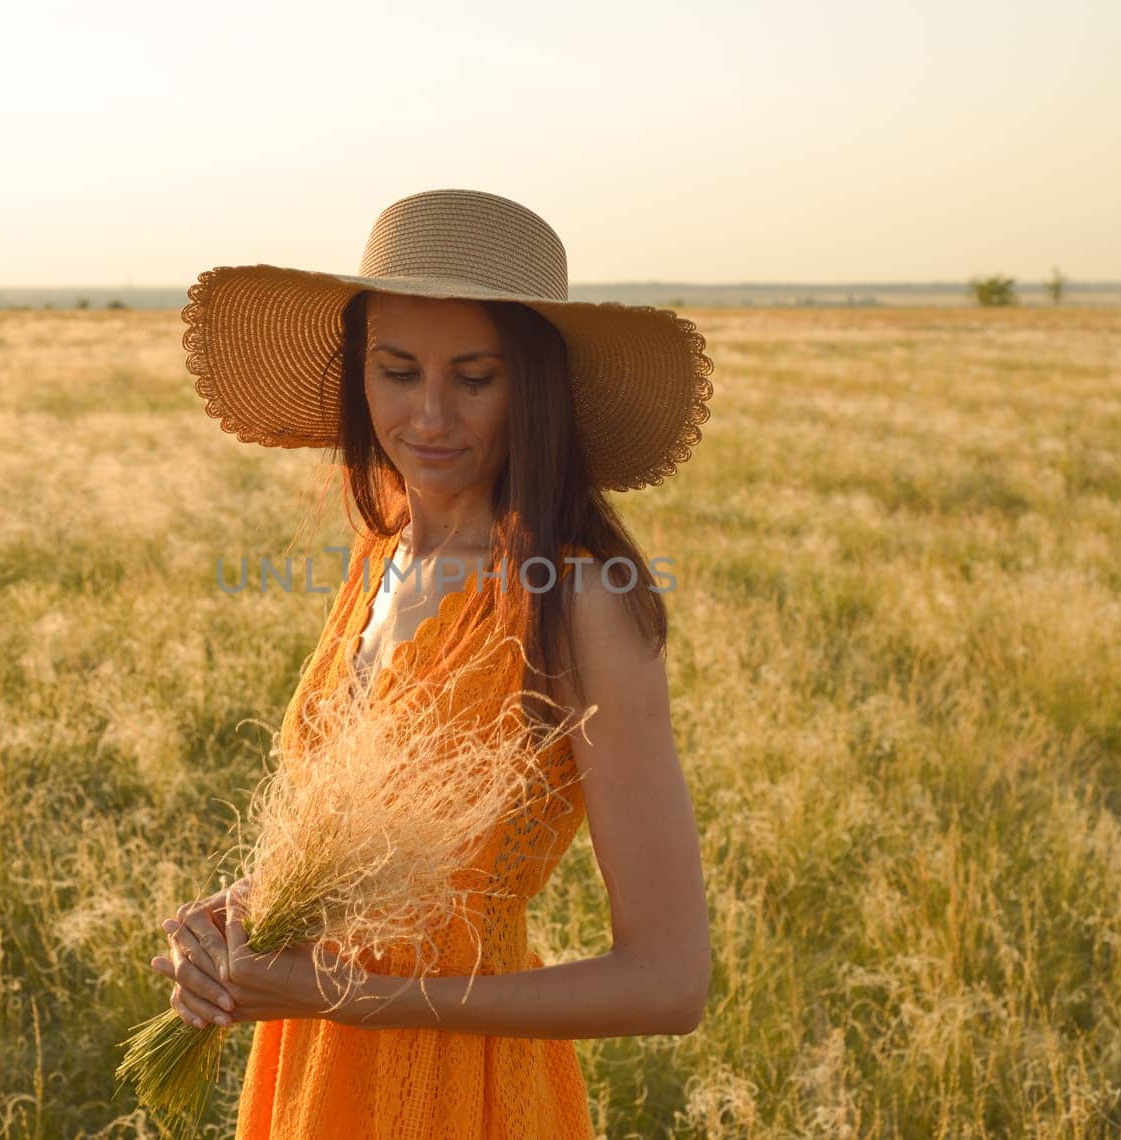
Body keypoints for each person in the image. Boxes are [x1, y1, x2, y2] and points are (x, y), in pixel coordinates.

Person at [148, 188, 715, 1138]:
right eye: (397, 371)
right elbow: (373, 854)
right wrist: (245, 921)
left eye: (476, 377)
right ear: (357, 380)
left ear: (535, 386)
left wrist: (337, 995)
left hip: (465, 1097)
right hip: (311, 1079)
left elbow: (669, 982)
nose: (431, 416)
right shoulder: (383, 558)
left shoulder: (578, 603)